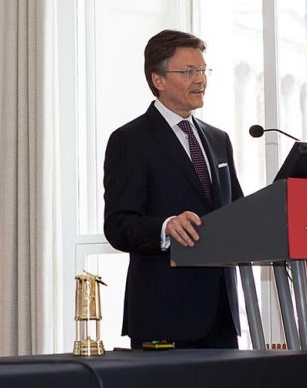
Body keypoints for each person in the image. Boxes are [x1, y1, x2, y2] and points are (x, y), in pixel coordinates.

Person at [103, 29, 244, 349]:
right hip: (163, 317)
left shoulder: (219, 139)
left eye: (203, 70)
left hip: (222, 317)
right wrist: (165, 227)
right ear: (159, 80)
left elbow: (237, 210)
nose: (201, 80)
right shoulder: (130, 140)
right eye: (188, 71)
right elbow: (118, 225)